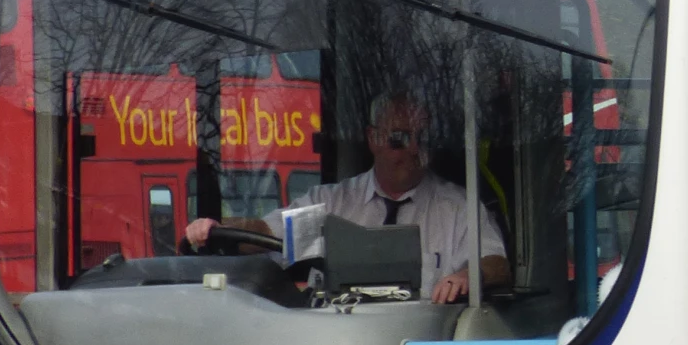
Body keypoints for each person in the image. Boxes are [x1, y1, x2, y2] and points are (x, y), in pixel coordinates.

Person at [184, 93, 506, 303]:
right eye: (399, 139)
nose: (411, 150)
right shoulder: (332, 207)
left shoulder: (458, 209)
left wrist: (465, 276)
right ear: (373, 139)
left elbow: (496, 264)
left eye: (421, 139)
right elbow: (265, 234)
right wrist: (214, 226)